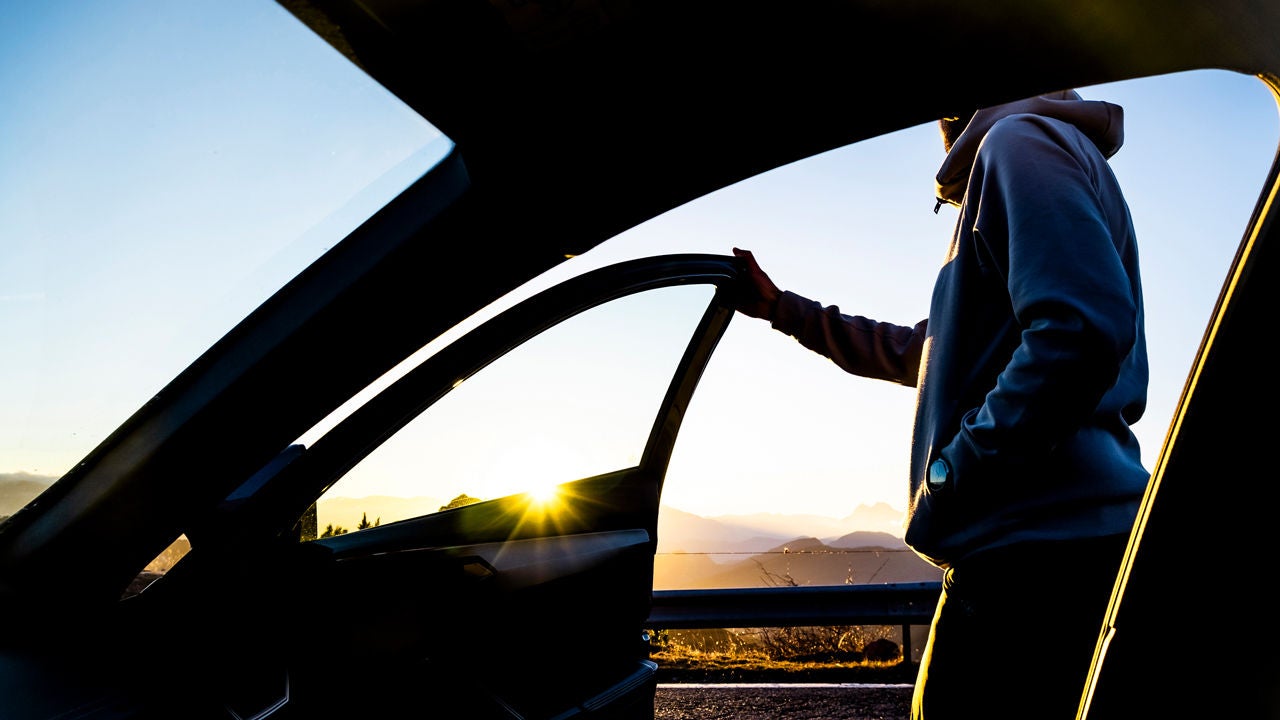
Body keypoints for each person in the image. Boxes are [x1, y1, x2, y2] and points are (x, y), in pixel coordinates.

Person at [731, 89, 1150, 719]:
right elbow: (920, 351)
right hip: (1045, 556)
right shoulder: (1026, 155)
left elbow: (1081, 331)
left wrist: (954, 473)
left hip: (1033, 569)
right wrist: (783, 310)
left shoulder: (1021, 145)